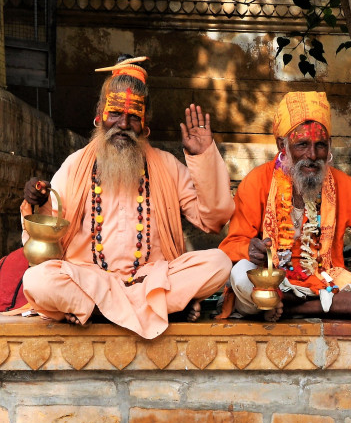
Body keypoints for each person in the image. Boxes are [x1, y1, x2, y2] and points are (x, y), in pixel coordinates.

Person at [20, 56, 234, 339]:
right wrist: (36, 202)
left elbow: (213, 219)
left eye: (133, 116)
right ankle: (161, 309)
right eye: (115, 114)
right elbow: (48, 238)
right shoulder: (75, 165)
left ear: (145, 122)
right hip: (91, 279)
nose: (123, 124)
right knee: (37, 281)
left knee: (219, 264)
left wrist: (202, 157)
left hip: (152, 280)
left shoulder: (167, 165)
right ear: (100, 114)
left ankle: (95, 311)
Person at [219, 91, 351, 322]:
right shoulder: (257, 181)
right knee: (240, 275)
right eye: (302, 144)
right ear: (282, 145)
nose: (313, 155)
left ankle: (293, 309)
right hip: (275, 281)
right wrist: (250, 250)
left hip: (323, 283)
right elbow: (232, 244)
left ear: (329, 146)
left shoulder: (339, 183)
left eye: (320, 145)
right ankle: (281, 303)